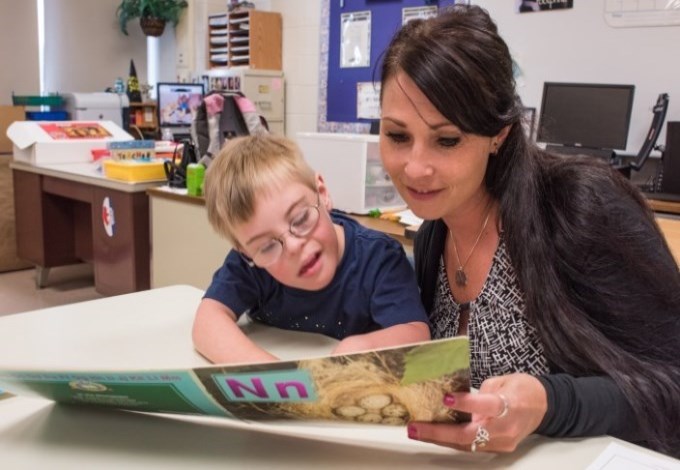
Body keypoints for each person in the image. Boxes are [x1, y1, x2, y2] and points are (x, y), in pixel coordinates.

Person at [378, 4, 680, 457]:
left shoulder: (578, 208)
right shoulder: (431, 239)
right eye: (397, 136)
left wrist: (549, 404)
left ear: (498, 134)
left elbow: (671, 384)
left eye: (447, 140)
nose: (415, 168)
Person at [192, 134, 430, 364]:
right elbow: (207, 322)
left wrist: (361, 347)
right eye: (266, 246)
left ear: (323, 194)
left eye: (300, 219)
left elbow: (416, 333)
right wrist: (274, 374)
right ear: (245, 251)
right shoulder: (251, 265)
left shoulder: (379, 258)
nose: (294, 247)